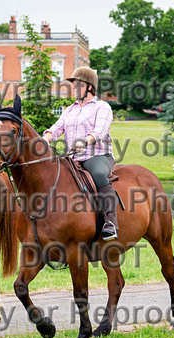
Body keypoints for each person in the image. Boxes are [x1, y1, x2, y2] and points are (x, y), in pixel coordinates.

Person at [42, 66, 118, 240]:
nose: (74, 88)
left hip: (98, 155)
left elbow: (100, 130)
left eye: (78, 84)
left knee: (98, 174)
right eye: (73, 85)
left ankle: (110, 222)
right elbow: (56, 129)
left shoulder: (102, 106)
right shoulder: (69, 110)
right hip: (73, 158)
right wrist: (44, 139)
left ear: (90, 87)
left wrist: (85, 141)